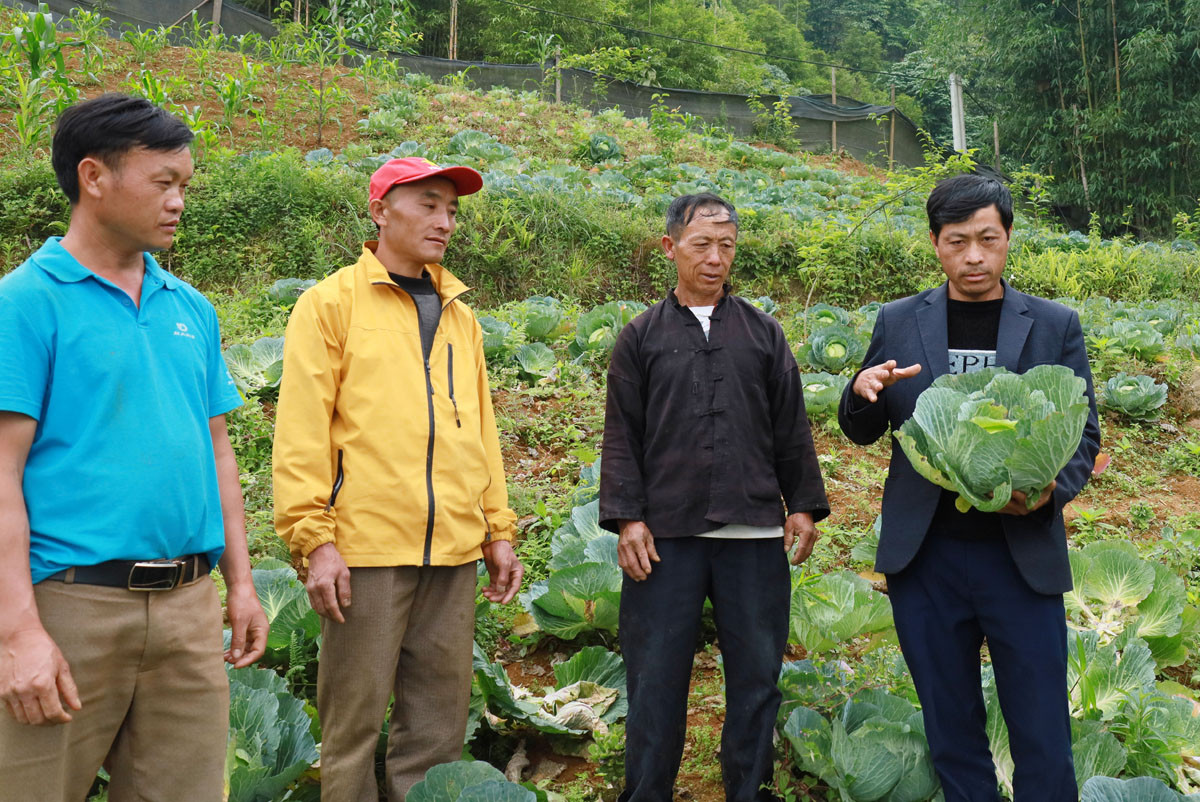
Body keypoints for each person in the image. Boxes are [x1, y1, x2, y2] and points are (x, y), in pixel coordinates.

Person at [0, 94, 268, 800]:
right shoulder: (26, 303)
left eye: (185, 186)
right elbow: (2, 475)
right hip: (70, 607)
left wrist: (240, 585)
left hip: (186, 607)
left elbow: (219, 454)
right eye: (164, 183)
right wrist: (17, 634)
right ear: (94, 177)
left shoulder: (191, 308)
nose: (179, 201)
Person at [838, 174, 1101, 802]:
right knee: (951, 729)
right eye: (958, 241)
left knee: (1041, 730)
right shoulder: (899, 320)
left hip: (1020, 555)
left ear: (1008, 237)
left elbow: (1082, 432)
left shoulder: (1053, 323)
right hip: (925, 557)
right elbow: (863, 429)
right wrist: (860, 391)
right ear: (935, 243)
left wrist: (1046, 492)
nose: (975, 256)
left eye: (988, 238)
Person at [273, 156, 525, 801]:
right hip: (365, 550)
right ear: (380, 210)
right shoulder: (329, 304)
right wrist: (314, 539)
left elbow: (482, 432)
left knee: (437, 725)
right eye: (429, 205)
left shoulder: (460, 314)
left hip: (453, 550)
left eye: (451, 210)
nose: (444, 222)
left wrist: (497, 527)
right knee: (352, 726)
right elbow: (302, 431)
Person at [599, 192, 830, 802]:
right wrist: (628, 519)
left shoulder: (763, 333)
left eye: (726, 246)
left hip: (753, 532)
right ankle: (646, 792)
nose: (715, 258)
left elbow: (791, 427)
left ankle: (747, 790)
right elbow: (621, 434)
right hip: (666, 537)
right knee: (655, 679)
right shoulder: (640, 338)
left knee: (756, 677)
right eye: (701, 244)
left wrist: (802, 504)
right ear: (670, 247)